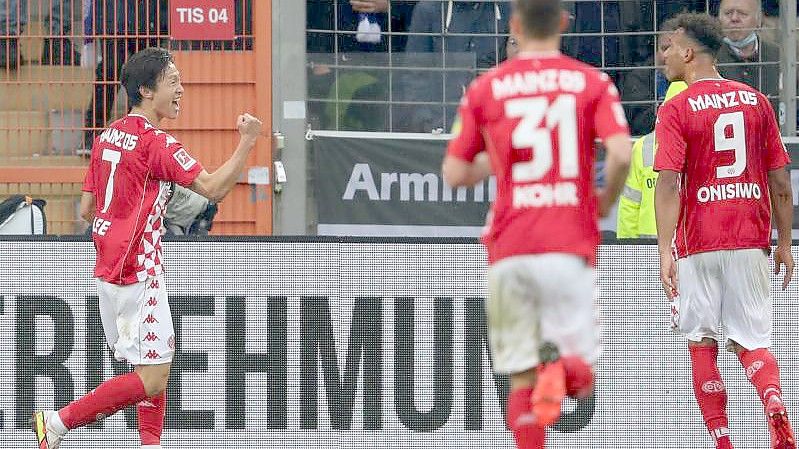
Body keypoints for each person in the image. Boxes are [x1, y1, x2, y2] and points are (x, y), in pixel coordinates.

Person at [30, 47, 263, 449]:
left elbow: (87, 208)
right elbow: (211, 189)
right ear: (146, 90)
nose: (181, 90)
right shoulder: (156, 143)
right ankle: (57, 423)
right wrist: (247, 142)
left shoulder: (105, 137)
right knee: (153, 377)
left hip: (108, 270)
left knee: (153, 363)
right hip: (139, 271)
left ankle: (149, 444)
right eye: (173, 82)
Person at [442, 0, 631, 447]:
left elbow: (453, 173)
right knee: (581, 378)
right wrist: (604, 200)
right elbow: (621, 152)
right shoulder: (592, 82)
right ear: (564, 23)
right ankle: (561, 372)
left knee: (518, 379)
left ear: (514, 26)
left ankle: (538, 390)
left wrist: (501, 159)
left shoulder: (486, 87)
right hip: (568, 243)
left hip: (509, 245)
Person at [654, 13, 795, 449]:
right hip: (750, 238)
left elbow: (668, 182)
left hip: (700, 241)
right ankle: (772, 399)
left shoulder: (675, 108)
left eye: (667, 48)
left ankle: (722, 439)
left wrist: (664, 250)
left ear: (688, 51)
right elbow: (780, 182)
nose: (663, 57)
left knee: (701, 341)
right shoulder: (757, 101)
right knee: (752, 340)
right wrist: (785, 243)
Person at [716, 0, 780, 119]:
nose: (734, 18)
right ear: (719, 18)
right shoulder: (709, 56)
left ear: (758, 19)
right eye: (728, 13)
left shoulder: (778, 55)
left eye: (742, 13)